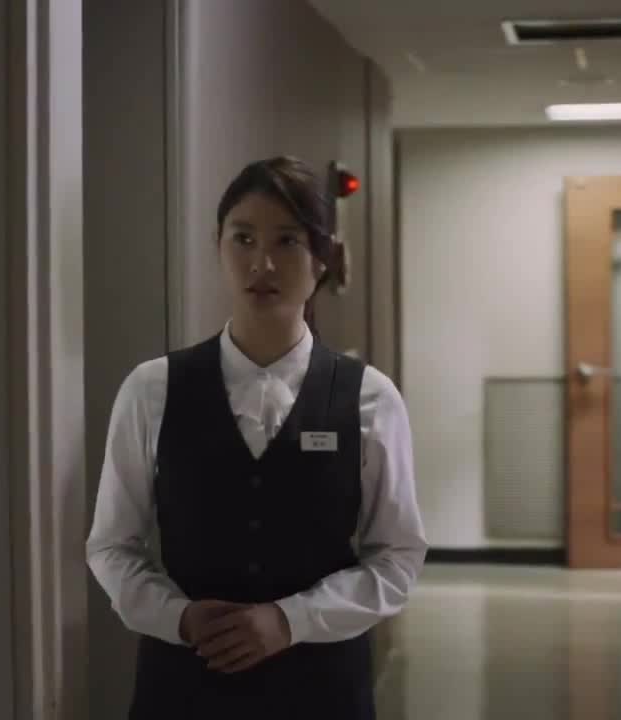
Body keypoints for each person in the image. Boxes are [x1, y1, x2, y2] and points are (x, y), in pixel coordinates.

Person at [86, 156, 428, 719]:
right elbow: (111, 545)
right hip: (184, 685)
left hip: (322, 689)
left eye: (287, 241)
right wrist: (178, 616)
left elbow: (397, 557)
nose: (261, 263)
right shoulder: (152, 389)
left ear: (322, 259)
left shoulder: (369, 397)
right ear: (218, 247)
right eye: (242, 238)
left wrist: (291, 620)